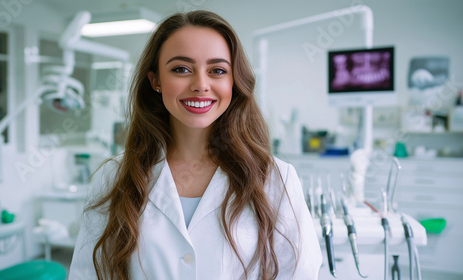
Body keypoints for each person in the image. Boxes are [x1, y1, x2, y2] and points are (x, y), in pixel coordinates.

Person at [69, 10, 321, 280]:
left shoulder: (275, 179)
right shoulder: (113, 177)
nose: (201, 85)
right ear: (155, 81)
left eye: (217, 71)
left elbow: (298, 273)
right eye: (181, 69)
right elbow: (89, 273)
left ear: (233, 82)